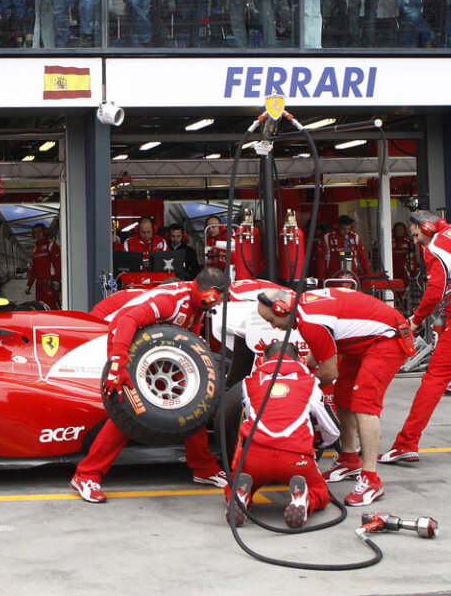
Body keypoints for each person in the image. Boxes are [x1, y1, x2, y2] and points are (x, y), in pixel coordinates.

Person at [70, 269, 230, 503]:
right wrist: (118, 362)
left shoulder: (197, 306)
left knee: (193, 402)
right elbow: (128, 320)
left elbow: (187, 336)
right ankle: (86, 475)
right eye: (222, 297)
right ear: (211, 293)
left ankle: (204, 469)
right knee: (131, 409)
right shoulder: (171, 301)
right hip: (124, 341)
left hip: (157, 352)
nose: (221, 303)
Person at [256, 287, 413, 506]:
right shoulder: (303, 310)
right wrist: (300, 373)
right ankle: (349, 460)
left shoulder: (309, 319)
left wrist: (298, 390)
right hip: (365, 341)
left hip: (387, 338)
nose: (273, 326)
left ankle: (371, 480)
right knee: (343, 397)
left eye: (271, 320)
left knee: (364, 404)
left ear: (281, 309)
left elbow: (329, 372)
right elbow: (319, 351)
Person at [380, 213, 451, 463]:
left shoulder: (435, 248)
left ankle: (406, 443)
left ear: (426, 227)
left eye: (416, 234)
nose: (416, 240)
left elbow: (434, 292)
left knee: (435, 378)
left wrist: (416, 320)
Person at [225, 342, 339, 529]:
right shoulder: (310, 383)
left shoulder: (249, 382)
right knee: (320, 491)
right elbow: (333, 430)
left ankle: (240, 496)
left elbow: (249, 415)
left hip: (255, 456)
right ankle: (304, 500)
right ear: (299, 360)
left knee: (234, 482)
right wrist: (321, 443)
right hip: (295, 456)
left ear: (263, 360)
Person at [317, 214, 372, 282]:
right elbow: (321, 260)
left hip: (352, 278)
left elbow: (362, 258)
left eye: (348, 229)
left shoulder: (355, 237)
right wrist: (321, 278)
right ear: (338, 226)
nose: (346, 231)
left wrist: (368, 277)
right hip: (333, 277)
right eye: (343, 229)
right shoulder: (327, 238)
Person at [26, 223, 61, 308]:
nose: (37, 234)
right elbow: (34, 269)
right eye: (35, 232)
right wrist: (29, 284)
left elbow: (58, 264)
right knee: (40, 306)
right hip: (39, 284)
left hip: (50, 283)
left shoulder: (51, 245)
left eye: (39, 231)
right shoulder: (35, 248)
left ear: (44, 232)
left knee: (51, 306)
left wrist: (57, 280)